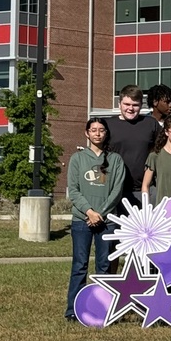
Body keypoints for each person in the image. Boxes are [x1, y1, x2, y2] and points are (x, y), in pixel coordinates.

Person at [65, 118, 126, 321]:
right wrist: (89, 212)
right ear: (87, 133)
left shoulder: (115, 160)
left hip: (107, 222)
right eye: (93, 130)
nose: (97, 134)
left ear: (106, 133)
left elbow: (117, 190)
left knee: (104, 267)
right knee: (79, 265)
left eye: (101, 130)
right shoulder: (77, 158)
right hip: (82, 220)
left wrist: (100, 213)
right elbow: (74, 190)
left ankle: (103, 309)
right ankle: (73, 310)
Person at [105, 84, 161, 207]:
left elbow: (164, 150)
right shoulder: (107, 125)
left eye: (135, 105)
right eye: (127, 104)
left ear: (141, 105)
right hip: (115, 190)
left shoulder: (150, 124)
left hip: (146, 189)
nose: (130, 108)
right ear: (119, 104)